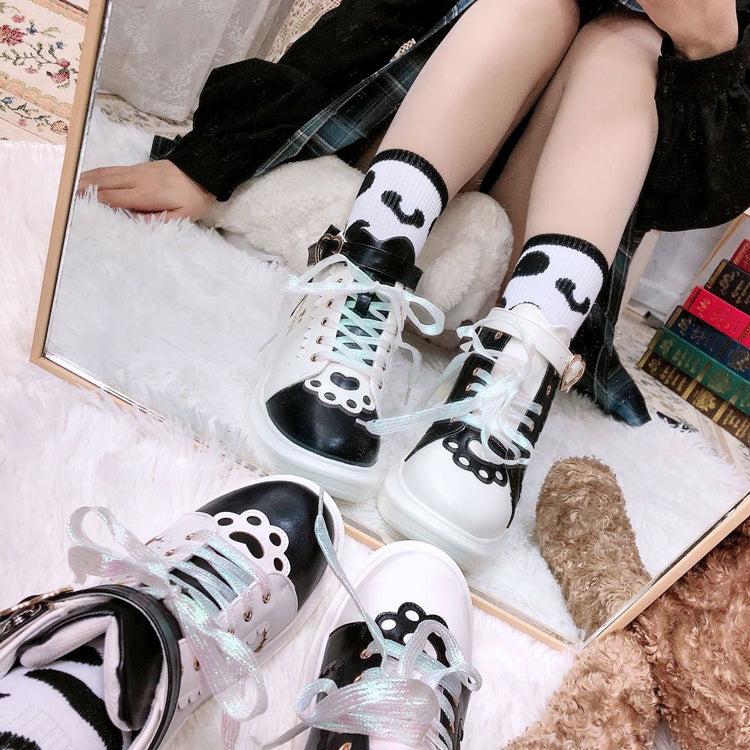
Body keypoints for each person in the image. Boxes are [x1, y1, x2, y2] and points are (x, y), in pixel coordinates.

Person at [82, 1, 749, 565]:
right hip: (420, 162)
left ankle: (509, 376)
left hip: (530, 249)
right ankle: (362, 272)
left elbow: (685, 201)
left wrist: (711, 45)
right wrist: (213, 160)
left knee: (626, 41)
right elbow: (377, 15)